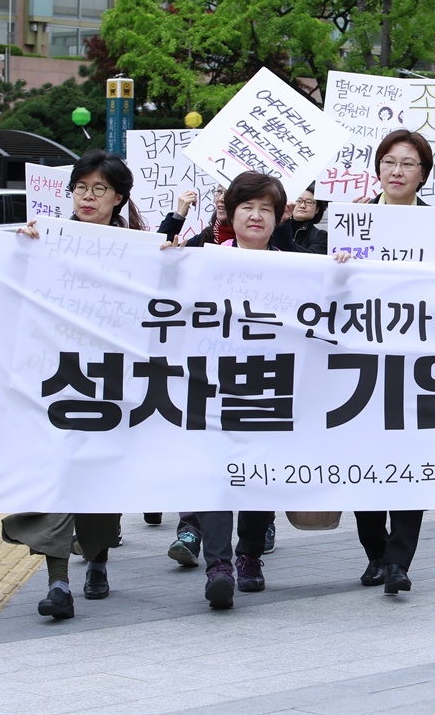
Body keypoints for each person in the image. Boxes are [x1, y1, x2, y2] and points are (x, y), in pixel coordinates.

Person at [2, 150, 147, 620]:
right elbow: (8, 285)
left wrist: (172, 258)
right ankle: (58, 581)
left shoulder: (140, 247)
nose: (87, 196)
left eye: (98, 188)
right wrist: (12, 254)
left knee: (100, 477)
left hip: (115, 381)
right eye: (81, 187)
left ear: (118, 197)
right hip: (57, 377)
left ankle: (98, 558)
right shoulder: (45, 238)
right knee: (58, 472)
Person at [349, 129, 435, 595]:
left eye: (408, 164)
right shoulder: (351, 220)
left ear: (423, 175)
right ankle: (375, 552)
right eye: (390, 162)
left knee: (409, 461)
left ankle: (399, 560)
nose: (397, 171)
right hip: (359, 360)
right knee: (362, 460)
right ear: (378, 168)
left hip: (417, 360)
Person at [162, 172, 287, 609]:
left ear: (278, 217)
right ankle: (219, 566)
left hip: (272, 385)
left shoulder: (297, 266)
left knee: (258, 477)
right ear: (231, 214)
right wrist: (165, 259)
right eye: (247, 207)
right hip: (210, 384)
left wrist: (345, 266)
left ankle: (250, 555)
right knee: (216, 472)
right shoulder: (202, 258)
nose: (256, 216)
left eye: (266, 209)